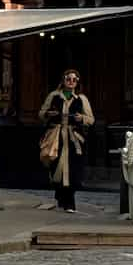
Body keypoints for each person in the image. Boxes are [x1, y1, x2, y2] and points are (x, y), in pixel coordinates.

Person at [38, 67, 94, 212]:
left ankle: (70, 202)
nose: (71, 82)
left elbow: (91, 119)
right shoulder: (54, 96)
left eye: (74, 80)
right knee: (56, 167)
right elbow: (41, 114)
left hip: (74, 140)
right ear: (63, 81)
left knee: (73, 170)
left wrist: (81, 118)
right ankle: (61, 195)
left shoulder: (82, 99)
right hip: (56, 138)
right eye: (68, 79)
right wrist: (49, 114)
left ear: (77, 82)